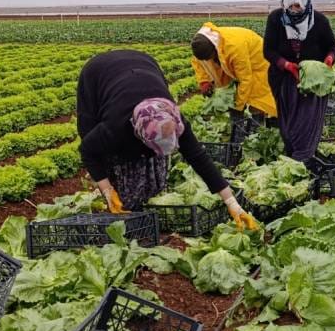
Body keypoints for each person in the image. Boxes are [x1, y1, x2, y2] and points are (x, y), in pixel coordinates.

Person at [76, 49, 256, 229]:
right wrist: (107, 189)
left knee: (150, 159)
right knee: (109, 154)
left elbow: (198, 158)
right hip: (97, 74)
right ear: (138, 133)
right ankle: (117, 203)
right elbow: (87, 150)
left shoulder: (174, 120)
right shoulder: (115, 127)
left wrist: (233, 205)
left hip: (144, 65)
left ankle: (146, 199)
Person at [262, 0, 335, 164]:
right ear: (283, 4)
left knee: (307, 122)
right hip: (284, 80)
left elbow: (333, 47)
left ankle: (302, 158)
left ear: (305, 2)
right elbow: (268, 51)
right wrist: (286, 65)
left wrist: (329, 59)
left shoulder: (319, 21)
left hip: (312, 82)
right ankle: (293, 154)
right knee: (288, 124)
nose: (294, 10)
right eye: (289, 6)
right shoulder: (276, 19)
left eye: (297, 6)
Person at [191, 22, 278, 125]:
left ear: (215, 49)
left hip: (259, 66)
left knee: (257, 102)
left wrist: (238, 105)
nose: (209, 60)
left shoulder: (235, 48)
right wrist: (204, 81)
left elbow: (246, 79)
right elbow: (198, 63)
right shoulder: (200, 42)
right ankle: (238, 127)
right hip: (235, 65)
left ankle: (257, 129)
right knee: (234, 97)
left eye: (210, 57)